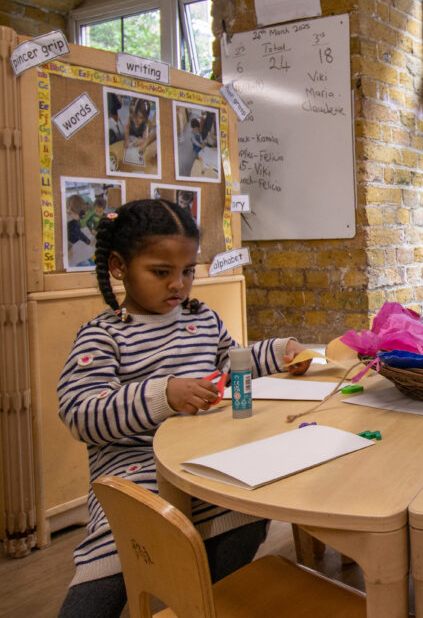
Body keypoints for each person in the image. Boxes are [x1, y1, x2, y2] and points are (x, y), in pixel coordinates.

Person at [57, 199, 311, 618]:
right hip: (136, 475)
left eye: (188, 271)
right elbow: (81, 413)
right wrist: (162, 395)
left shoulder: (201, 320)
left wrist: (281, 351)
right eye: (161, 272)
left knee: (246, 513)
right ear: (119, 267)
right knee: (111, 560)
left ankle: (200, 601)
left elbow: (232, 363)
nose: (178, 284)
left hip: (203, 463)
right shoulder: (103, 337)